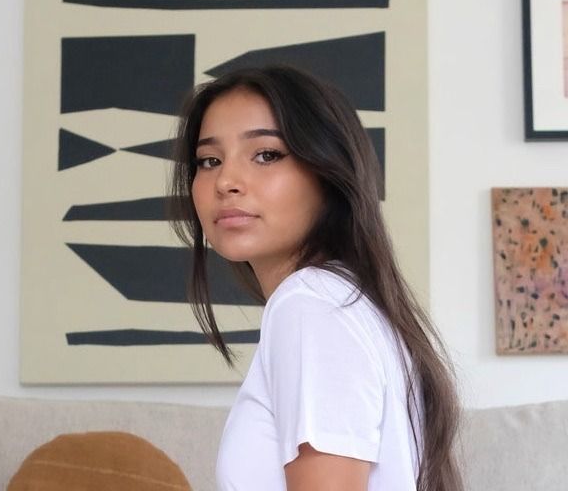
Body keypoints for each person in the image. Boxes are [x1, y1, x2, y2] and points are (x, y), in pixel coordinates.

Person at [169, 65, 463, 491]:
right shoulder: (343, 300)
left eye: (266, 154)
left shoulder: (313, 304)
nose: (226, 181)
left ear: (327, 172)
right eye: (209, 161)